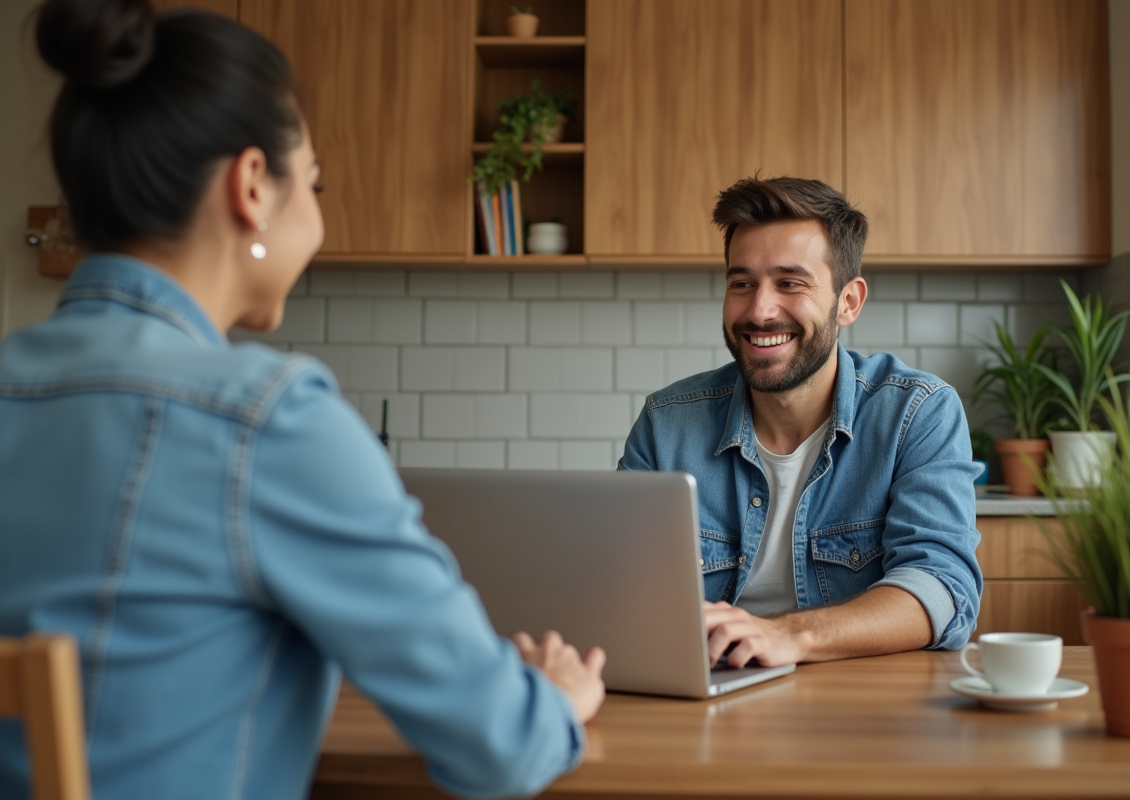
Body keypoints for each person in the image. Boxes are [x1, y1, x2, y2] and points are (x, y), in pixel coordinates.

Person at [0, 2, 604, 799]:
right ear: (253, 185)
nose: (315, 214)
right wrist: (555, 699)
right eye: (313, 182)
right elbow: (499, 745)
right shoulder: (263, 418)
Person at [619, 177, 982, 669]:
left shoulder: (916, 412)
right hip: (709, 696)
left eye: (790, 283)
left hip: (859, 700)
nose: (759, 310)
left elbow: (941, 587)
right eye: (741, 283)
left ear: (848, 302)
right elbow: (622, 586)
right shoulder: (667, 425)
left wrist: (791, 637)